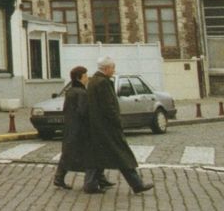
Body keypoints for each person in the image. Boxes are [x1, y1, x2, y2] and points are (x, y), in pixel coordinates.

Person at [84, 56, 154, 194]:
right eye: (113, 67)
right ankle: (137, 184)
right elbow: (108, 106)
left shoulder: (93, 82)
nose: (114, 70)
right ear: (106, 68)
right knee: (122, 155)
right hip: (107, 127)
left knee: (97, 155)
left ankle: (90, 184)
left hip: (97, 126)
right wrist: (117, 122)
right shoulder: (103, 83)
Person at [53, 65, 95, 190]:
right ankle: (93, 182)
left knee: (67, 153)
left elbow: (66, 109)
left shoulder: (70, 92)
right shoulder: (82, 93)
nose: (87, 78)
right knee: (90, 155)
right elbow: (83, 112)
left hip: (70, 127)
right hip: (80, 129)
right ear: (79, 78)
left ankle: (59, 177)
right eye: (86, 75)